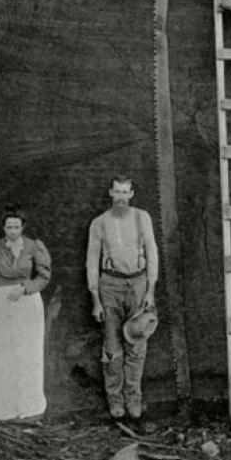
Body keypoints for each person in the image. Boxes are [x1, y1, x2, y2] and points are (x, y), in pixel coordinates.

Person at [0, 203, 51, 422]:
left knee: (25, 355)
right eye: (8, 227)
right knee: (0, 354)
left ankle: (26, 405)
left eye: (16, 227)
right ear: (3, 227)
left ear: (23, 227)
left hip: (27, 303)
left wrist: (26, 288)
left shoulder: (34, 247)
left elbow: (44, 276)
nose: (12, 232)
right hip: (2, 304)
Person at [86, 178, 159, 420]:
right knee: (112, 348)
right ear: (110, 193)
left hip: (138, 284)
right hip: (110, 286)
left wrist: (150, 290)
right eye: (117, 191)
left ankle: (133, 399)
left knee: (137, 345)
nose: (120, 197)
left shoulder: (142, 218)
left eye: (125, 192)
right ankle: (115, 400)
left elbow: (152, 252)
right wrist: (95, 297)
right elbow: (91, 260)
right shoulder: (100, 223)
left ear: (131, 194)